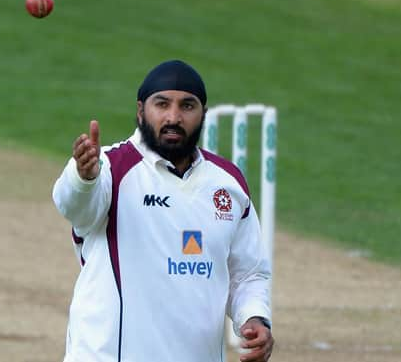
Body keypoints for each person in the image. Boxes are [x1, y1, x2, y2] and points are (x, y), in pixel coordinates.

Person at [52, 60, 274, 362]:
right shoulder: (107, 167)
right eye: (162, 104)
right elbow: (75, 208)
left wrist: (254, 316)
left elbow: (248, 272)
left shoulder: (227, 183)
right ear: (141, 110)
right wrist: (84, 178)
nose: (174, 116)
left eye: (187, 106)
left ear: (203, 113)